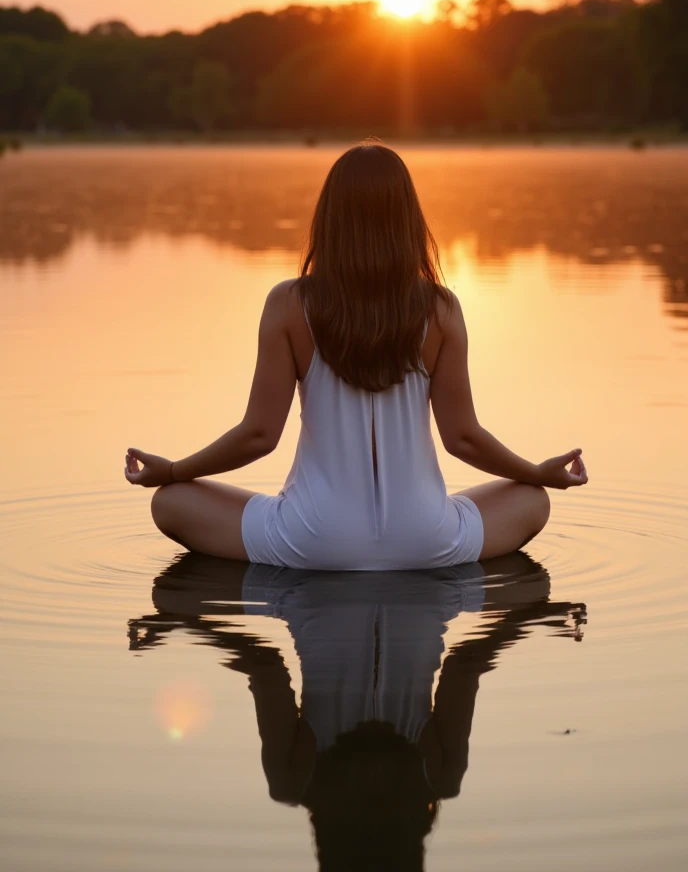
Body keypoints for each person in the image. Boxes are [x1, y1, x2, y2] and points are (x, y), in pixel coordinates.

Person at [124, 140, 588, 567]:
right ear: (407, 219)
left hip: (309, 539)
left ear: (330, 217)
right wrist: (536, 472)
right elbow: (462, 437)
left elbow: (259, 435)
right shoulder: (442, 309)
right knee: (533, 499)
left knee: (169, 500)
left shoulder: (288, 305)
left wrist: (174, 469)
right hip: (428, 539)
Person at [128, 552, 586, 872]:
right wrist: (536, 615)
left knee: (168, 501)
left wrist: (532, 618)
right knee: (535, 499)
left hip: (319, 552)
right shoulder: (300, 783)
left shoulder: (432, 779)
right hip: (417, 553)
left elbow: (467, 665)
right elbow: (261, 664)